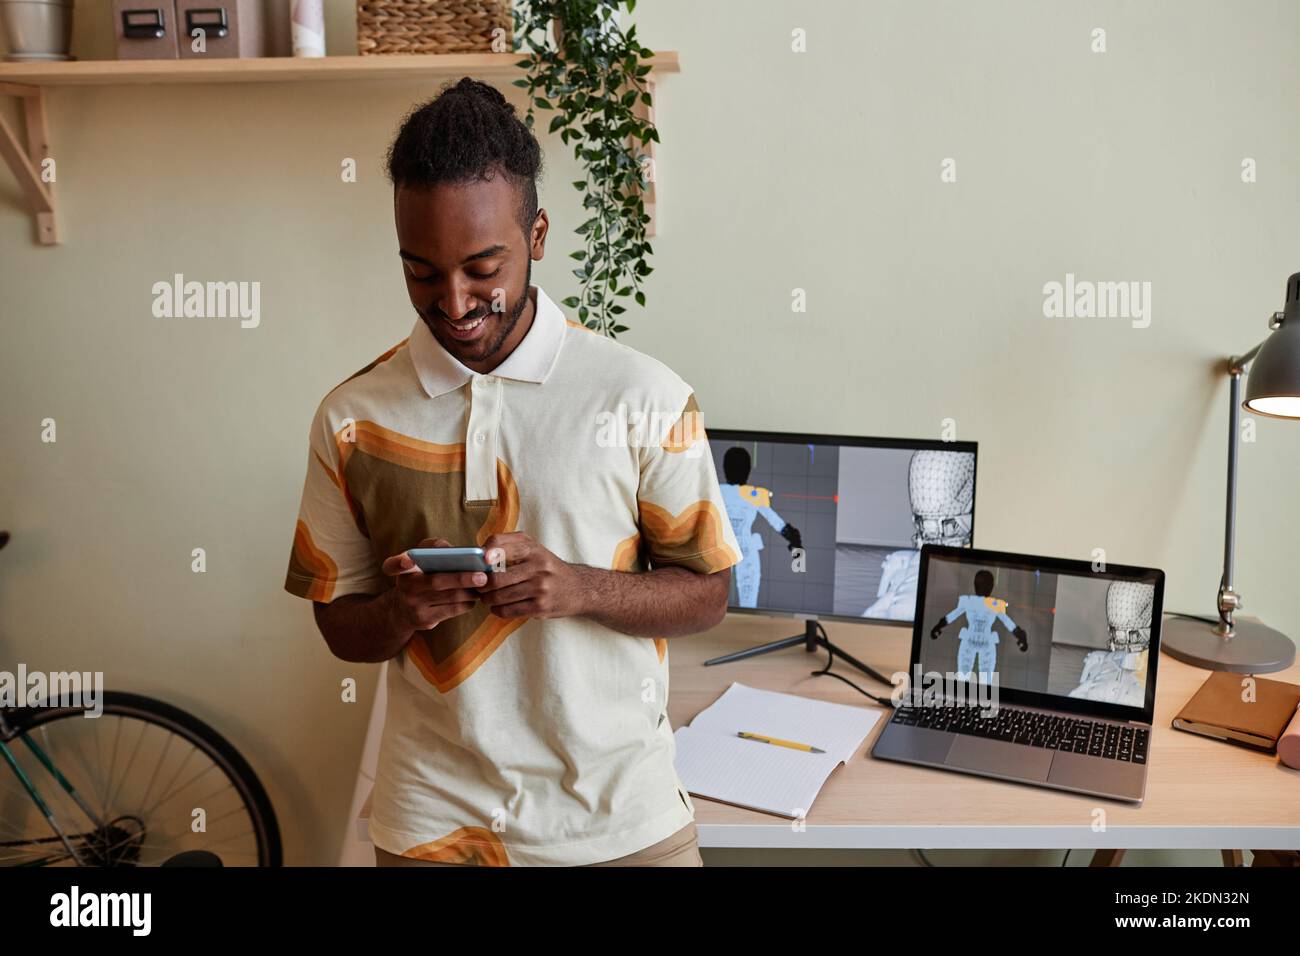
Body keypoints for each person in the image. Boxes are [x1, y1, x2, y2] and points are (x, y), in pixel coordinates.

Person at [282, 78, 741, 866]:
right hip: (433, 826)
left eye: (481, 266)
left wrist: (581, 586)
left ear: (537, 234)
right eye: (421, 272)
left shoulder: (646, 396)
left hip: (623, 824)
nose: (455, 302)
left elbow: (707, 596)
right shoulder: (350, 418)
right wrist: (404, 609)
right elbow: (338, 625)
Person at [717, 446, 801, 608]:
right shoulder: (754, 494)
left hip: (722, 549)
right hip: (745, 549)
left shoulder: (716, 491)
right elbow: (775, 521)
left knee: (714, 600)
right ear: (747, 471)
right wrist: (794, 539)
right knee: (748, 603)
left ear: (725, 468)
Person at [929, 569, 1028, 681]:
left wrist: (938, 626)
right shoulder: (994, 604)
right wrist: (1020, 635)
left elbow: (952, 616)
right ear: (991, 587)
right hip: (984, 641)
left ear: (975, 585)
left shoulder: (969, 601)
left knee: (967, 677)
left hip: (972, 640)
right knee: (980, 679)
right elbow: (1008, 622)